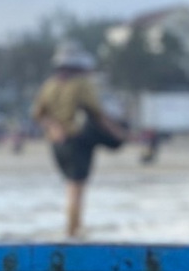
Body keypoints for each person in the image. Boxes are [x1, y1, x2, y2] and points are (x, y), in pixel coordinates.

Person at [31, 42, 125, 238]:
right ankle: (73, 231)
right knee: (77, 189)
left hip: (57, 143)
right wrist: (117, 133)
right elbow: (96, 113)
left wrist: (55, 128)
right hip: (77, 140)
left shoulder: (50, 85)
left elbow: (39, 114)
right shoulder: (82, 84)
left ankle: (74, 228)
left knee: (71, 186)